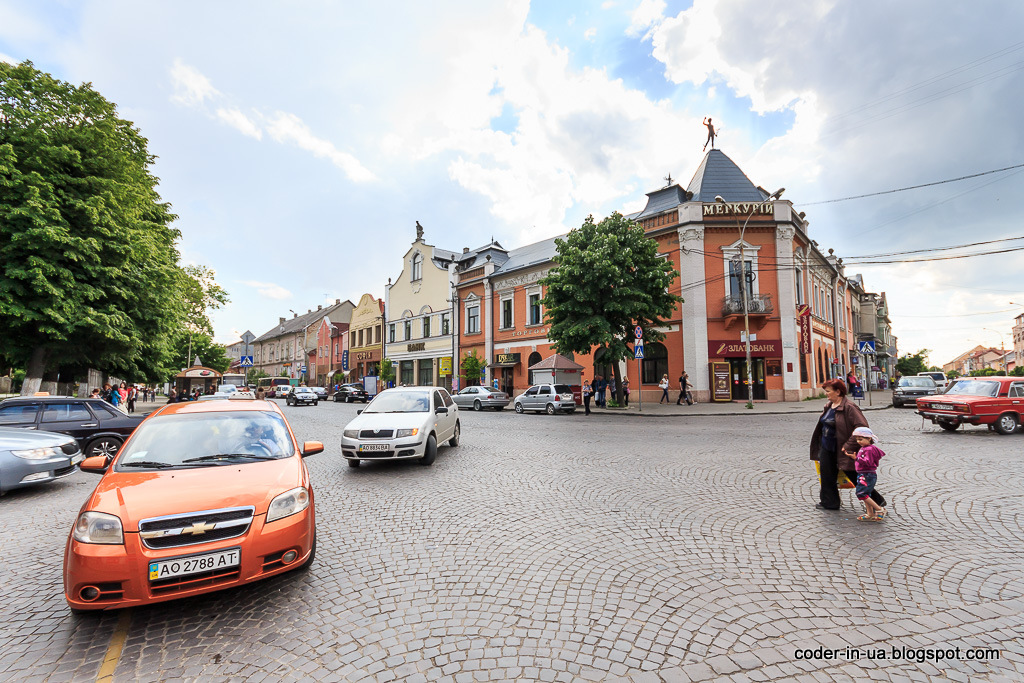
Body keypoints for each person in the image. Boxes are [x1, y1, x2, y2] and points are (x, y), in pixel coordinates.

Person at [809, 378, 886, 511]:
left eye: (828, 391)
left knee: (853, 475)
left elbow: (862, 427)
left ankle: (877, 500)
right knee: (827, 475)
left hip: (843, 448)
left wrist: (849, 445)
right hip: (828, 446)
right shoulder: (829, 405)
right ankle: (829, 502)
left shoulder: (849, 407)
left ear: (838, 392)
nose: (826, 394)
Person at [850, 427, 886, 521]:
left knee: (861, 493)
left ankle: (879, 509)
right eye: (857, 439)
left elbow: (868, 462)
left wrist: (856, 458)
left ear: (869, 438)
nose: (858, 442)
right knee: (866, 494)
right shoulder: (865, 448)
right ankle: (869, 513)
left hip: (867, 475)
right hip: (863, 474)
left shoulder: (869, 449)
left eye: (860, 439)